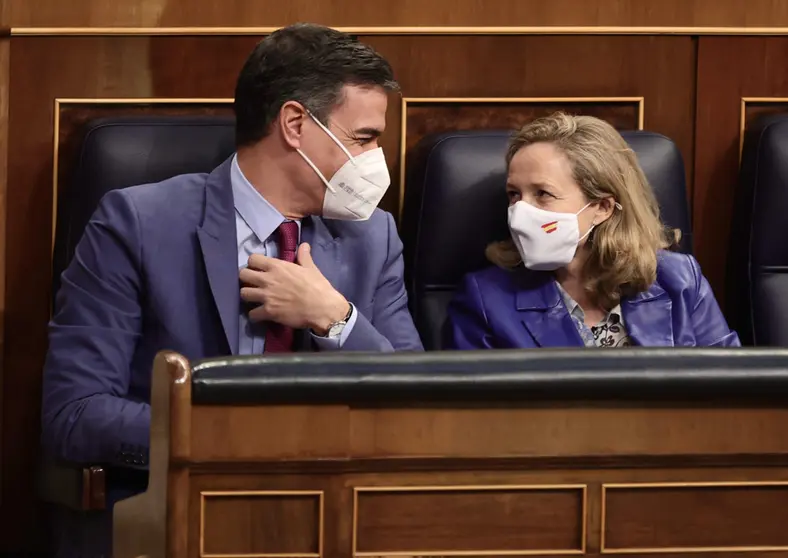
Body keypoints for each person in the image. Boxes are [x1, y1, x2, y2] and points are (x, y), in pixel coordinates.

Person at [42, 23, 423, 473]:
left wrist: (336, 320)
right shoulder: (139, 223)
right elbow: (76, 414)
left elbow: (413, 407)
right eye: (363, 138)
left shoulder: (373, 237)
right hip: (178, 512)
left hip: (329, 508)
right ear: (295, 124)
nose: (376, 158)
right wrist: (238, 443)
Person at [443, 112, 739, 349]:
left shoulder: (680, 281)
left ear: (602, 207)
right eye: (514, 195)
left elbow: (732, 395)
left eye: (542, 194)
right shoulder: (486, 299)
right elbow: (473, 418)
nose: (521, 212)